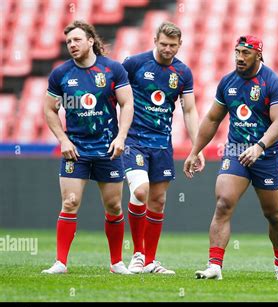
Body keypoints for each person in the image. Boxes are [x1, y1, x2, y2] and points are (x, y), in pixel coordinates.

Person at [184, 35, 278, 280]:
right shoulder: (227, 82)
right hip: (235, 150)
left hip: (267, 155)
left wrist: (260, 146)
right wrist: (194, 150)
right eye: (237, 52)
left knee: (273, 215)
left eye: (246, 53)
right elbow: (212, 119)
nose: (240, 58)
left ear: (259, 55)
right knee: (223, 203)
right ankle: (214, 266)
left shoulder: (274, 83)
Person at [42, 20, 134, 274]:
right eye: (69, 42)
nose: (72, 45)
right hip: (76, 151)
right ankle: (61, 262)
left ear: (91, 41)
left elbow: (127, 104)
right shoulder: (60, 74)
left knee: (114, 207)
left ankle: (116, 263)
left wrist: (121, 137)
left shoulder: (113, 69)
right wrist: (63, 140)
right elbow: (49, 109)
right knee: (70, 204)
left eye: (77, 40)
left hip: (109, 150)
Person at [122, 22, 204, 274]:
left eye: (173, 45)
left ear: (180, 45)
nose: (168, 49)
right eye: (163, 44)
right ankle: (137, 253)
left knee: (158, 201)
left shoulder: (183, 73)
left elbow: (189, 110)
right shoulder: (134, 64)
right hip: (134, 141)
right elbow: (116, 97)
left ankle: (150, 261)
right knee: (142, 191)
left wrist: (197, 146)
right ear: (155, 40)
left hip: (162, 144)